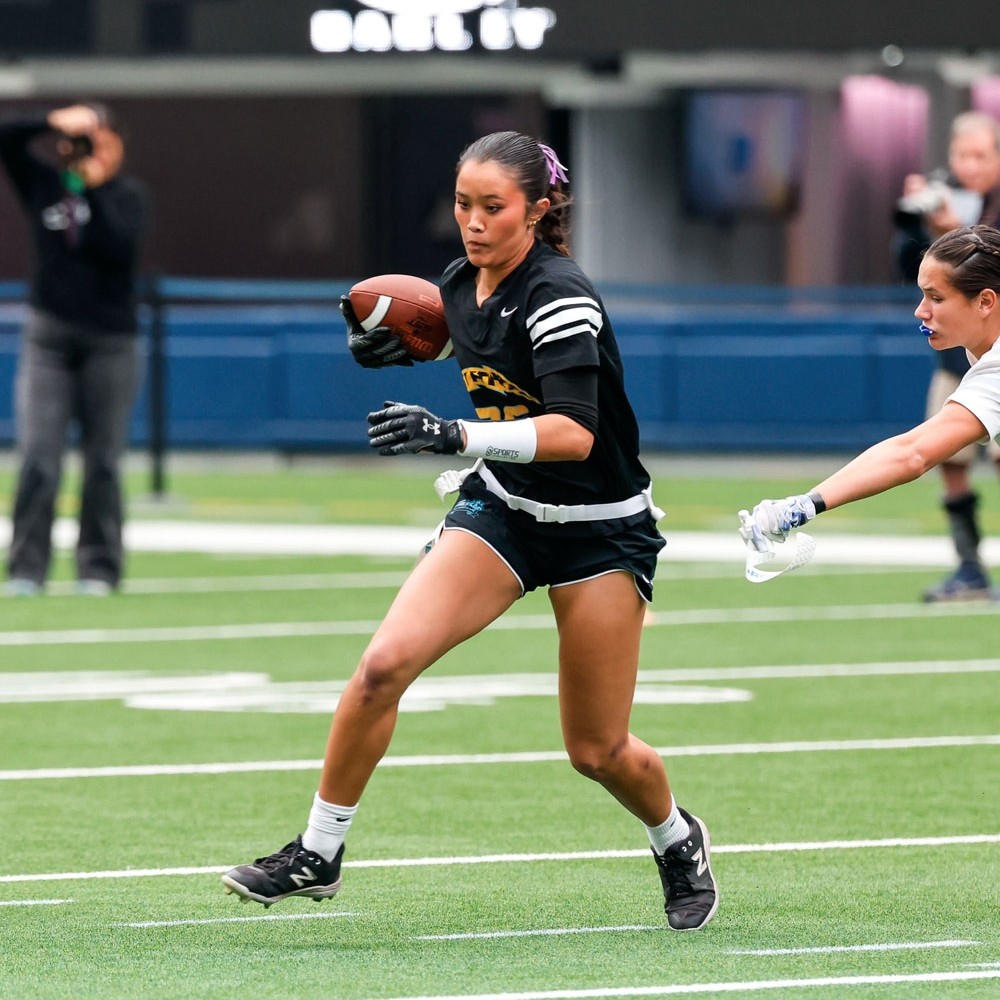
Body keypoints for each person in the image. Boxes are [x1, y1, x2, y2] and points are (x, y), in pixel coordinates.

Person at [221, 131, 719, 932]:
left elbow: (575, 433)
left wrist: (454, 433)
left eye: (494, 207)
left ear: (539, 208)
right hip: (505, 511)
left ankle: (675, 836)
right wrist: (393, 344)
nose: (474, 222)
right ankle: (318, 852)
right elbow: (464, 335)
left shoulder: (561, 294)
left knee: (596, 749)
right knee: (382, 665)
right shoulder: (458, 281)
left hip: (600, 529)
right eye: (463, 204)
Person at [744, 225, 1000, 760]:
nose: (920, 311)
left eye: (935, 297)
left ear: (987, 301)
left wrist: (804, 505)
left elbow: (913, 453)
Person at [894, 112, 1000, 602]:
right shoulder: (940, 198)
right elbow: (908, 268)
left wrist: (960, 230)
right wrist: (924, 223)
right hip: (955, 356)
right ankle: (969, 567)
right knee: (949, 456)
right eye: (963, 155)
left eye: (981, 155)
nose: (970, 165)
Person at [0, 103, 150, 596]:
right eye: (76, 142)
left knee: (102, 460)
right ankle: (26, 569)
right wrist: (50, 122)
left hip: (111, 340)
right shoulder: (45, 185)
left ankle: (99, 569)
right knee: (39, 456)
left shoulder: (127, 196)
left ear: (116, 146)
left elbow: (116, 248)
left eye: (94, 141)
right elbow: (6, 139)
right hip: (49, 337)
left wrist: (92, 185)